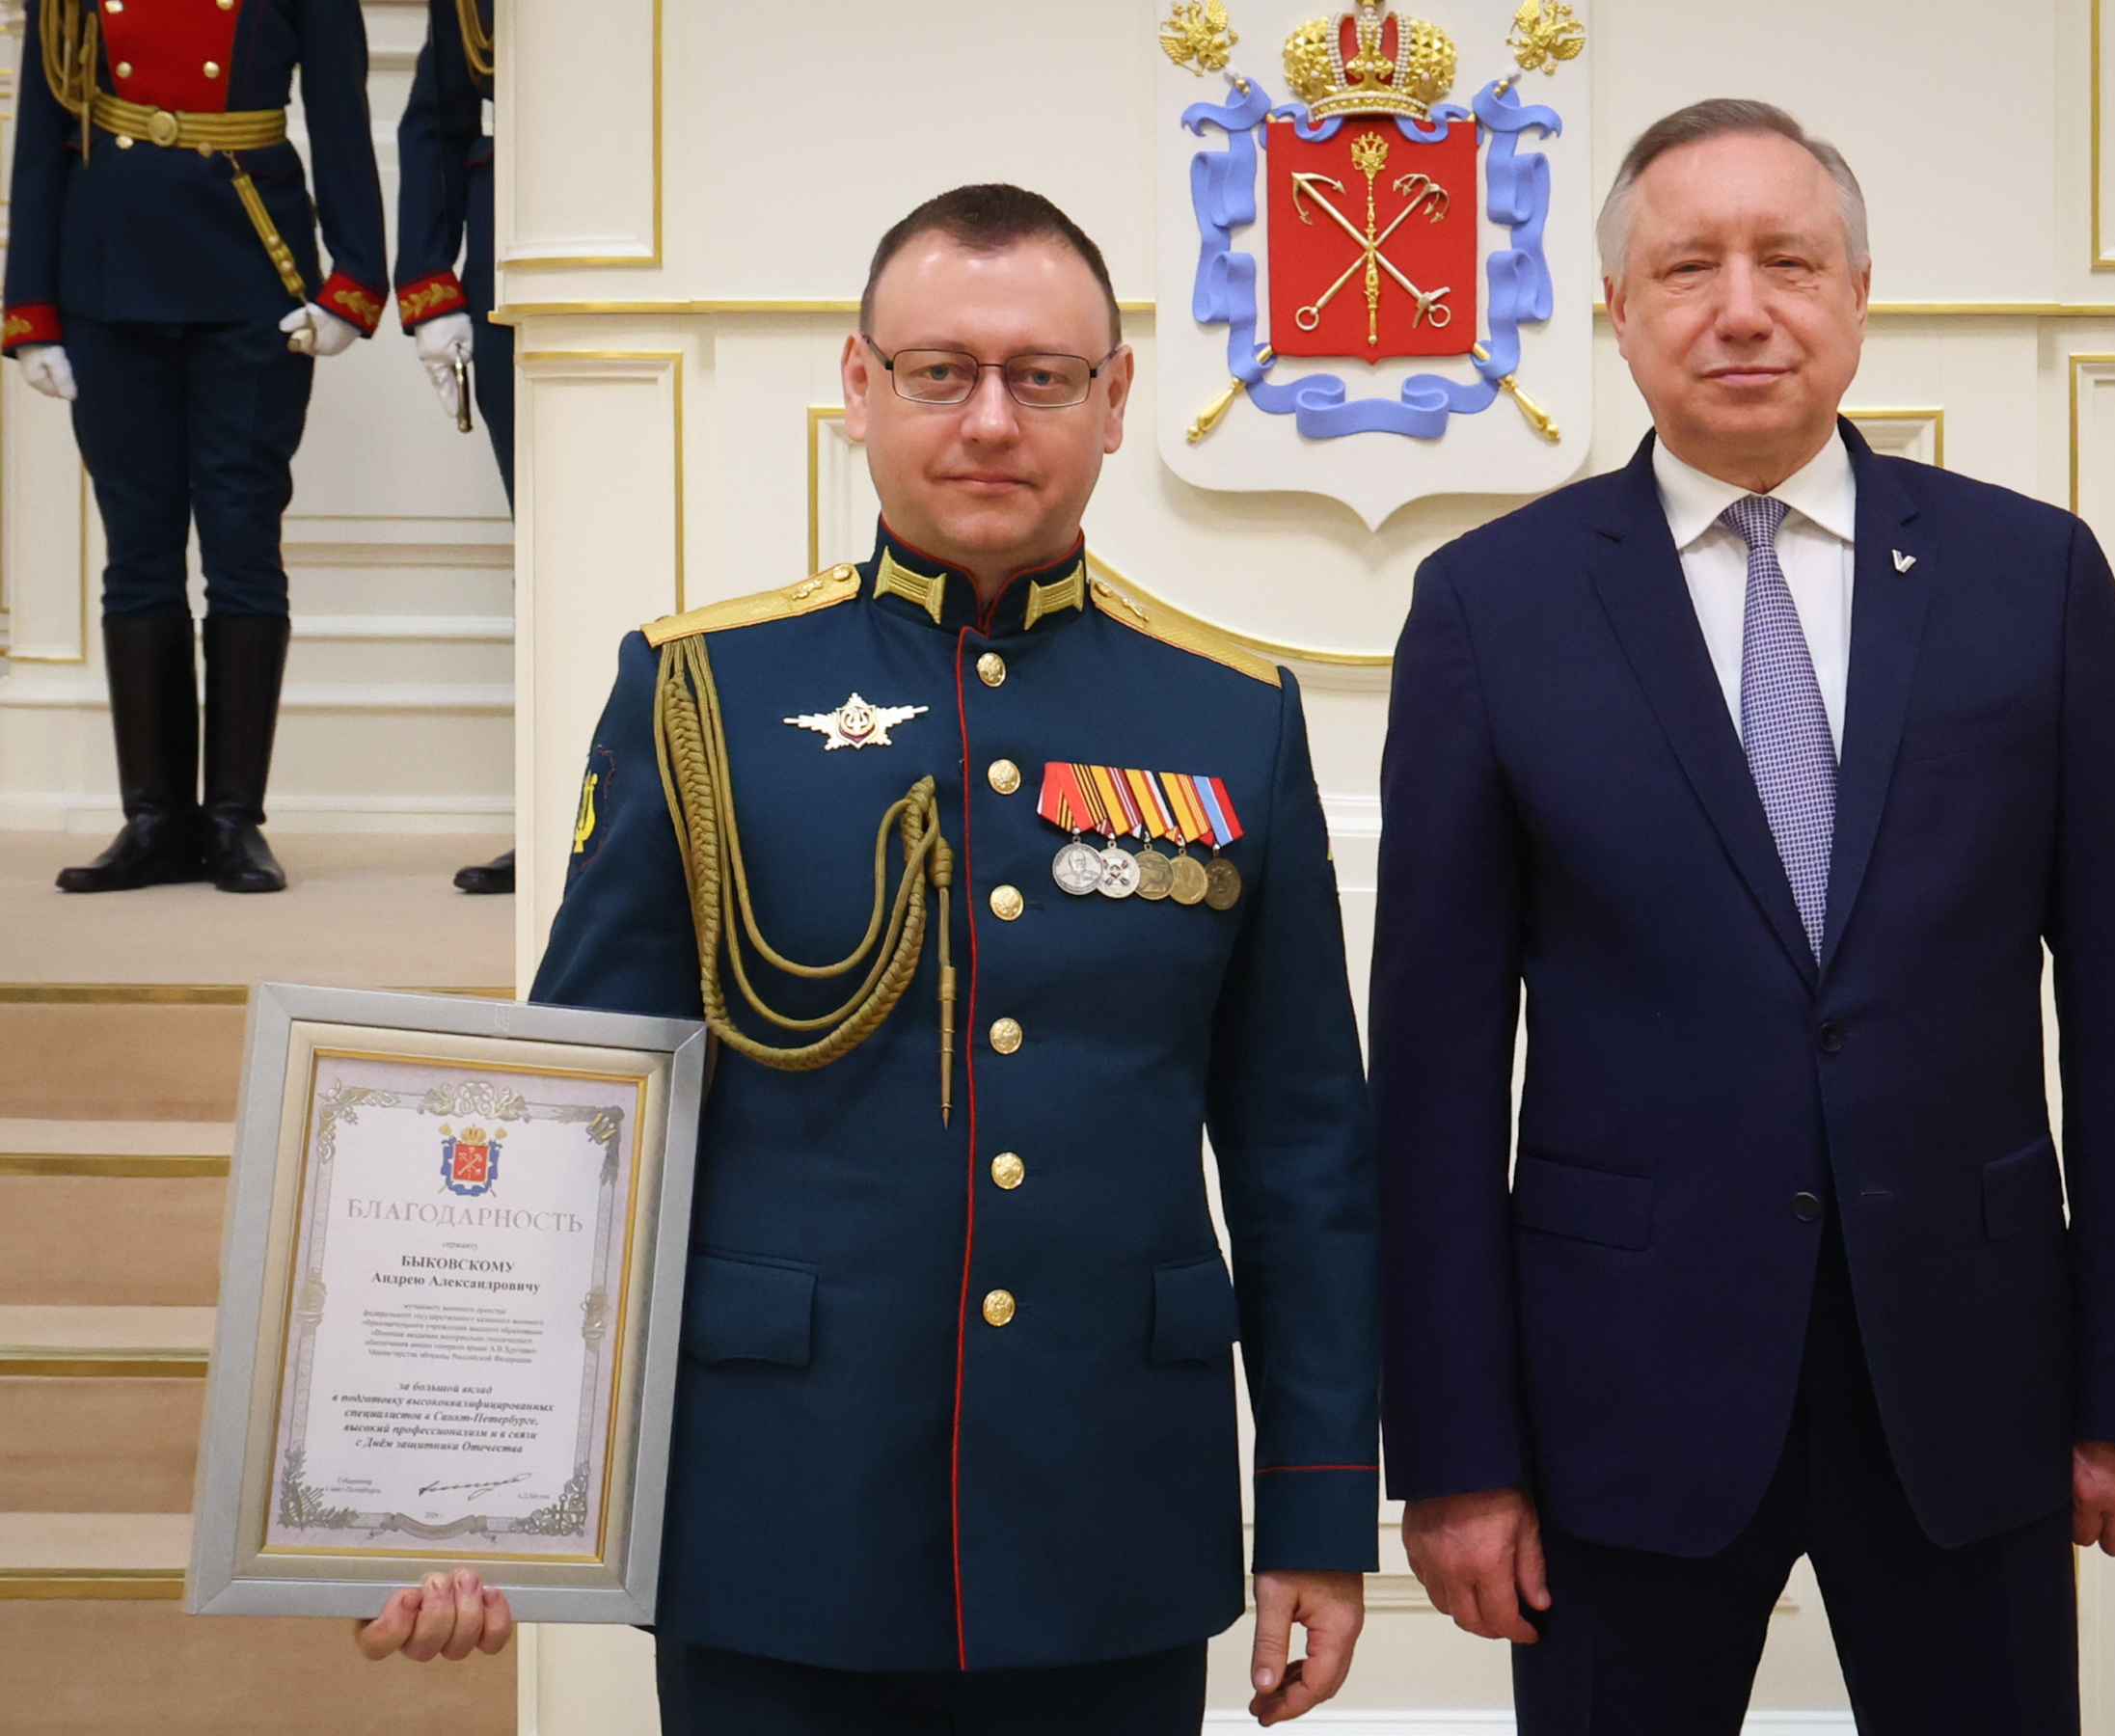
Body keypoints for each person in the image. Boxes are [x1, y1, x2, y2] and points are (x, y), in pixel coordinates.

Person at [355, 183, 1381, 1735]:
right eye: (939, 372)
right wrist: (471, 1488)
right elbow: (574, 1129)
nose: (991, 419)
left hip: (1108, 1513)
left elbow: (1303, 1145)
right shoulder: (702, 696)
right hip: (780, 1512)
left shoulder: (1230, 716)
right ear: (859, 387)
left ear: (1115, 401)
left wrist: (1316, 1502)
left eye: (1043, 376)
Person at [1371, 99, 2115, 1734]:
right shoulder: (1494, 606)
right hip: (1622, 1395)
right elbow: (1434, 1071)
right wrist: (1458, 1453)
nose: (1742, 309)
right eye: (1689, 267)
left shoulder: (2032, 579)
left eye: (1790, 262)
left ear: (1860, 292)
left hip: (1972, 1376)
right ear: (1618, 310)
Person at [5, 0, 389, 895]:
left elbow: (340, 114)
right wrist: (31, 310)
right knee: (137, 552)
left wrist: (353, 282)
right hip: (106, 270)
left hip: (252, 270)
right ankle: (155, 821)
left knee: (242, 544)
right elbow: (43, 130)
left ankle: (233, 821)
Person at [393, 0, 517, 897]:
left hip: (683, 257)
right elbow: (439, 117)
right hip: (513, 267)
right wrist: (430, 282)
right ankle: (565, 808)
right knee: (545, 559)